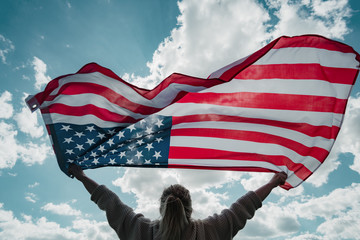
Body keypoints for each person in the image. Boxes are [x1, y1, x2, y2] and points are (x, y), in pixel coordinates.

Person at [69, 164, 287, 240]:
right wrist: (273, 182)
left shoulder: (142, 231)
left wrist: (82, 177)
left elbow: (110, 203)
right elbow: (242, 208)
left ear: (161, 207)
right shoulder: (210, 232)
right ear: (190, 208)